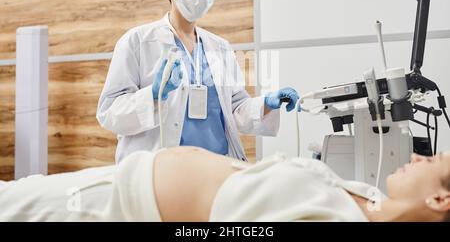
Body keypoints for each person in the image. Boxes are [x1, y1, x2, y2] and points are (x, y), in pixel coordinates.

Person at [96, 0, 301, 163]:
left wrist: (267, 103)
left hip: (217, 165)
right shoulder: (137, 41)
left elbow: (234, 110)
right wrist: (154, 95)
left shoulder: (219, 47)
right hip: (162, 168)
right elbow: (109, 113)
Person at [1, 147, 449, 222]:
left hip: (115, 207)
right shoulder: (367, 197)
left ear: (440, 198)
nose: (415, 156)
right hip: (124, 176)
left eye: (432, 159)